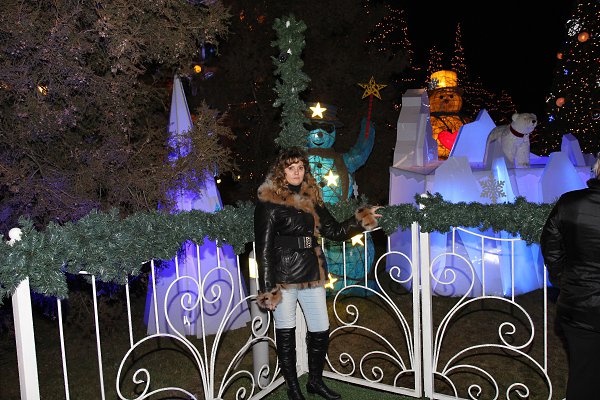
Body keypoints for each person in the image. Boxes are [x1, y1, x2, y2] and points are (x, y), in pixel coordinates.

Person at [254, 146, 381, 400]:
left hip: (312, 271)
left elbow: (333, 230)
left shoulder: (311, 197)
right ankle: (293, 387)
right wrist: (268, 289)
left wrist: (360, 219)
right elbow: (263, 249)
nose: (297, 172)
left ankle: (314, 381)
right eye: (291, 168)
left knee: (321, 328)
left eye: (301, 167)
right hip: (283, 277)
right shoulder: (268, 202)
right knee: (286, 333)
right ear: (281, 171)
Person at [540, 153, 600, 400]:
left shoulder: (570, 203)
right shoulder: (570, 203)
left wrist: (563, 280)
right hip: (579, 304)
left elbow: (550, 246)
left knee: (583, 377)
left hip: (578, 306)